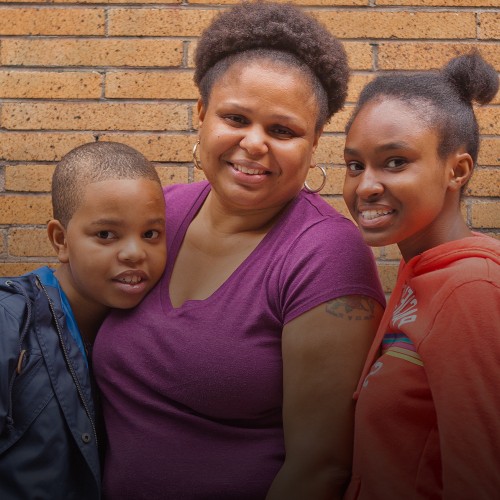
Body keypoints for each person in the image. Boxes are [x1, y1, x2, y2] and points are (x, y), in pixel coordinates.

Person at [93, 2, 385, 499]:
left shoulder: (325, 256)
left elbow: (320, 468)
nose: (254, 143)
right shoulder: (157, 216)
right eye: (236, 117)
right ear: (202, 115)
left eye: (283, 130)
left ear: (314, 142)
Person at [342, 51, 500, 500]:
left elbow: (481, 479)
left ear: (457, 170)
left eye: (395, 162)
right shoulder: (423, 275)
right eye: (355, 165)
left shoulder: (471, 289)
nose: (366, 185)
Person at [0, 141, 167, 500]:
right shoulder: (10, 320)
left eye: (151, 234)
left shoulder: (151, 328)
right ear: (61, 240)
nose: (135, 253)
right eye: (106, 235)